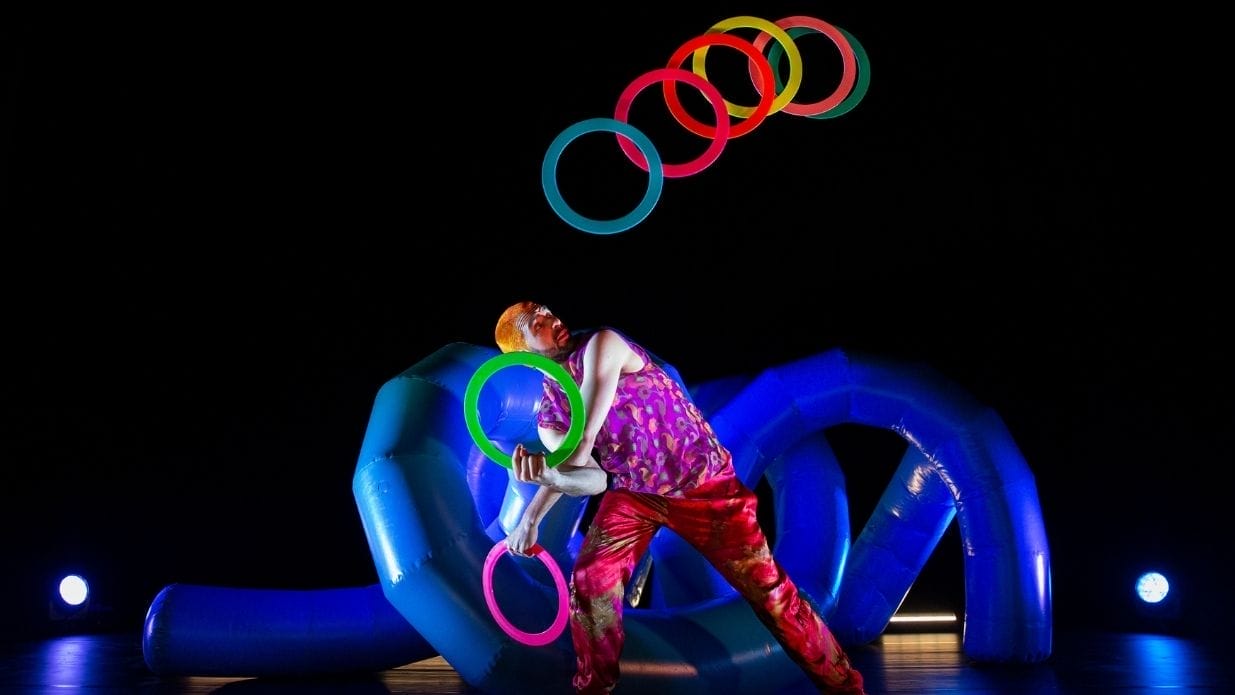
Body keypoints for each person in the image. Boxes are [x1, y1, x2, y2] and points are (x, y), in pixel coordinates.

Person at [493, 300, 866, 694]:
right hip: (636, 493)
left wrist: (535, 507)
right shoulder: (551, 412)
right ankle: (594, 689)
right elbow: (591, 480)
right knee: (590, 580)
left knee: (773, 598)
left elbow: (582, 445)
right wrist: (550, 483)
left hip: (705, 485)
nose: (554, 318)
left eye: (549, 311)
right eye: (539, 322)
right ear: (523, 354)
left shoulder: (602, 343)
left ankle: (847, 688)